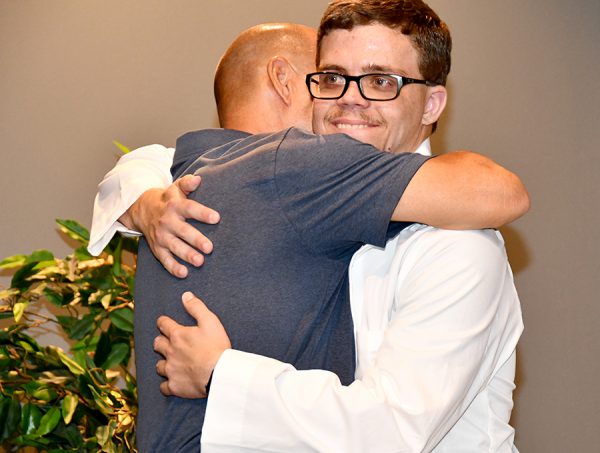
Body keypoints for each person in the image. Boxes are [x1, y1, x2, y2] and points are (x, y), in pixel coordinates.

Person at [89, 4, 527, 453]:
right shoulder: (305, 189)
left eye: (381, 81)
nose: (350, 99)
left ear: (431, 103)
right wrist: (142, 200)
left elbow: (393, 433)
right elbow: (167, 161)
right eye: (333, 78)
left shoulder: (460, 247)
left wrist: (223, 374)